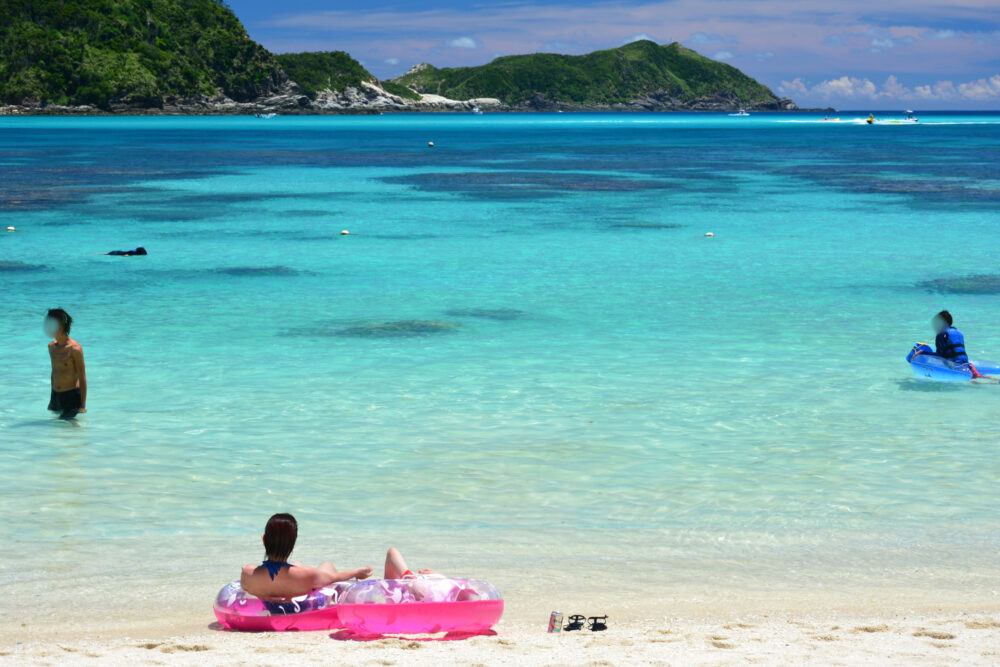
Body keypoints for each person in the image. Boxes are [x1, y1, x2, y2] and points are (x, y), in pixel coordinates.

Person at [240, 513, 439, 607]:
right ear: (293, 542)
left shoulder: (247, 572)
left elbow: (255, 590)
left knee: (302, 565)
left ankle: (414, 578)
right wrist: (357, 572)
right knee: (327, 565)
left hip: (283, 582)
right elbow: (332, 577)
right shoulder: (306, 575)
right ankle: (411, 578)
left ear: (264, 539)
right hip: (304, 581)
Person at [45, 308, 87, 420]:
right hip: (56, 396)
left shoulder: (75, 349)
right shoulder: (51, 347)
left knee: (65, 427)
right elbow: (54, 372)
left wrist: (82, 405)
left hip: (71, 396)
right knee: (57, 430)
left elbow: (82, 377)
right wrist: (51, 399)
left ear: (61, 325)